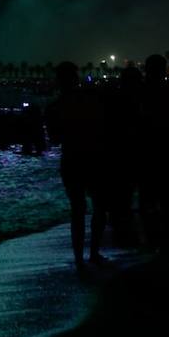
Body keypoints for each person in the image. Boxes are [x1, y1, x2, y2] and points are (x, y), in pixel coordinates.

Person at [46, 62, 108, 271]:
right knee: (99, 207)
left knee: (78, 211)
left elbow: (54, 139)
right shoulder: (91, 100)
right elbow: (102, 127)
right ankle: (94, 253)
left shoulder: (54, 107)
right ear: (76, 78)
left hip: (71, 159)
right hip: (93, 158)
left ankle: (79, 258)